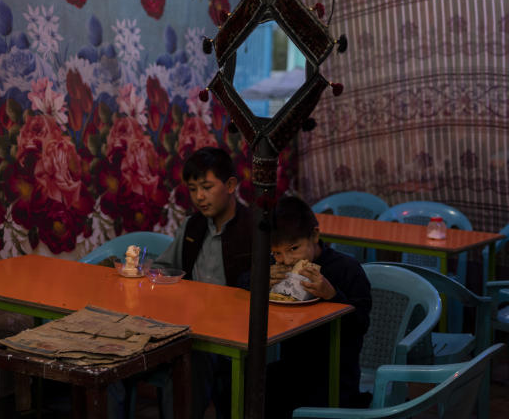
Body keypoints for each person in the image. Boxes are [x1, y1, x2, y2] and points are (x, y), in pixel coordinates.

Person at [149, 146, 253, 418]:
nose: (199, 197)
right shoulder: (193, 226)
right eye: (193, 189)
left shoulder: (253, 228)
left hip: (234, 329)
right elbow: (164, 268)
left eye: (207, 187)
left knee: (193, 361)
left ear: (230, 185)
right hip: (191, 324)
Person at [265, 195, 373, 418]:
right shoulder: (275, 266)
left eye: (293, 249)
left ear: (314, 235)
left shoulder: (346, 269)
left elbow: (361, 323)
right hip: (292, 367)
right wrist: (261, 280)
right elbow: (242, 282)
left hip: (335, 373)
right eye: (276, 252)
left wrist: (332, 294)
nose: (285, 260)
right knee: (243, 384)